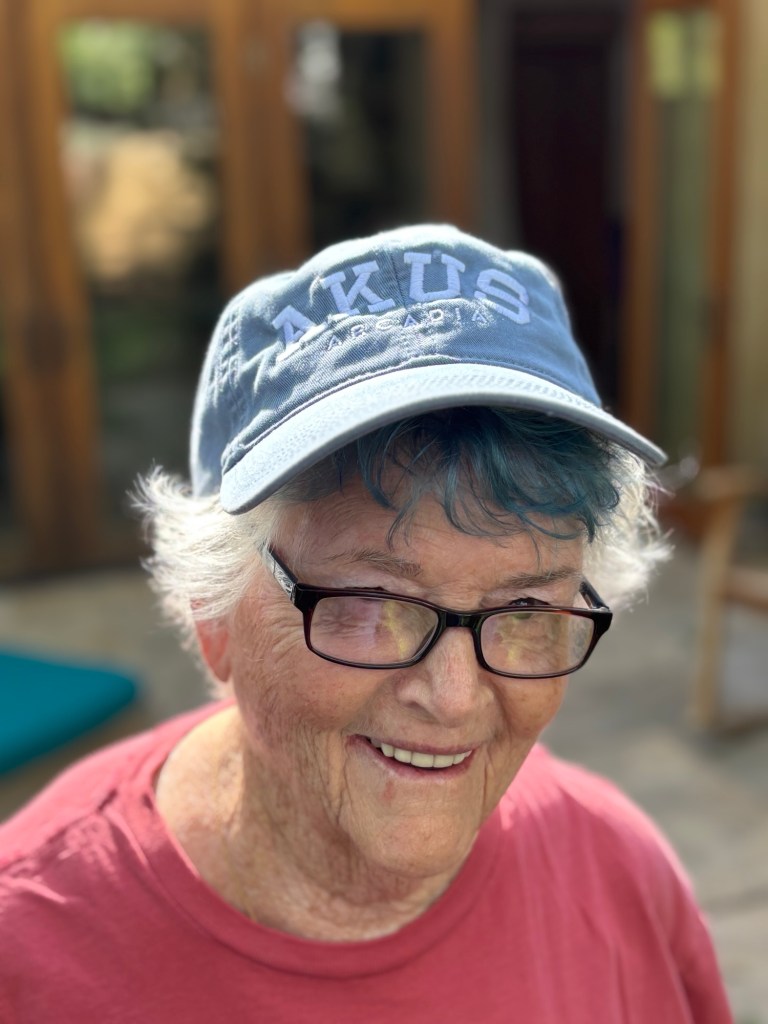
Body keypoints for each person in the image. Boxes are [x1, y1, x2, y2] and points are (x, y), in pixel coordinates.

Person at [0, 225, 732, 1022]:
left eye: (523, 609)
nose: (453, 697)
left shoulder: (618, 875)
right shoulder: (30, 956)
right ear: (214, 614)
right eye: (372, 604)